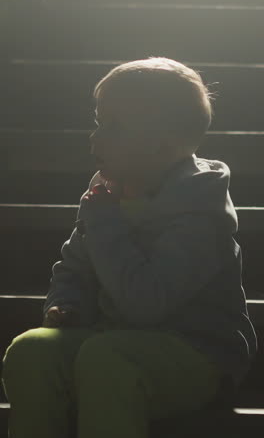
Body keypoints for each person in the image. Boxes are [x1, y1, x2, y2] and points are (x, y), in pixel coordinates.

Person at [1, 56, 258, 438]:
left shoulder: (199, 214)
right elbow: (74, 264)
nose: (95, 137)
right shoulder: (108, 190)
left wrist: (104, 222)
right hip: (112, 340)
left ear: (162, 146)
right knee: (32, 350)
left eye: (114, 128)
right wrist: (67, 304)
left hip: (197, 353)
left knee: (106, 360)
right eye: (98, 123)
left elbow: (147, 304)